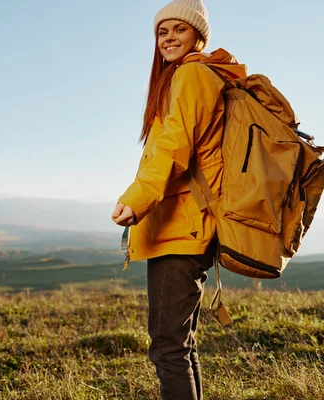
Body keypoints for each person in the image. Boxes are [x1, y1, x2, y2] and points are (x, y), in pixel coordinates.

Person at [111, 0, 248, 399]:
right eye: (162, 32)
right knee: (178, 347)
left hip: (183, 228)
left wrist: (137, 199)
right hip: (185, 225)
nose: (169, 39)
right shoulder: (188, 77)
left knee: (168, 348)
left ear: (198, 35)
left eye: (179, 30)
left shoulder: (192, 75)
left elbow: (173, 147)